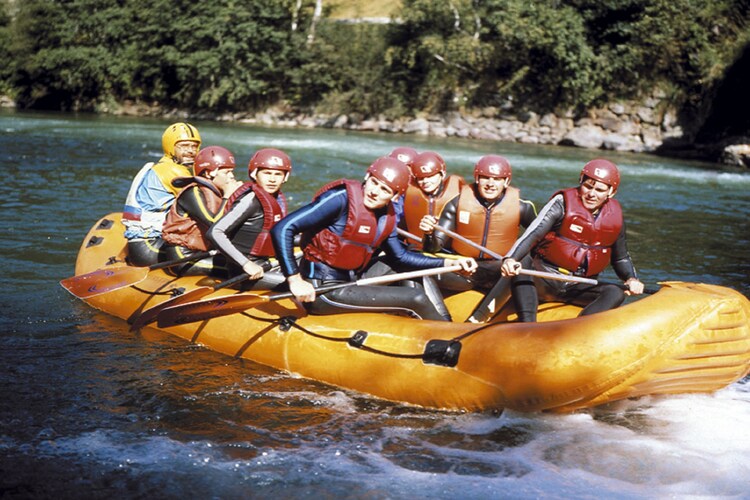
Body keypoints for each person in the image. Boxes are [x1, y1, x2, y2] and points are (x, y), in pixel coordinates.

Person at [271, 157, 477, 321]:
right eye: (374, 182)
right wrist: (295, 280)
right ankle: (447, 339)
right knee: (416, 298)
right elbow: (283, 229)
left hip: (350, 281)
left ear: (395, 196)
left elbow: (401, 257)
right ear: (367, 176)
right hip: (321, 289)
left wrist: (449, 263)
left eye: (384, 190)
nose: (374, 192)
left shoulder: (387, 216)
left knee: (406, 266)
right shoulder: (340, 199)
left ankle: (442, 324)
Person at [501, 158, 645, 322]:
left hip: (578, 285)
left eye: (599, 190)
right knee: (523, 261)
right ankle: (527, 324)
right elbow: (533, 233)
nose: (591, 194)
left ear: (611, 192)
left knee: (615, 292)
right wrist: (510, 259)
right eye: (588, 186)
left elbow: (620, 258)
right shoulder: (561, 203)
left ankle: (579, 328)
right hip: (544, 279)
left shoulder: (615, 217)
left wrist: (631, 278)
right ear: (580, 181)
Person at [422, 154, 536, 292]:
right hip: (465, 268)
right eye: (485, 177)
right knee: (421, 269)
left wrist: (518, 261)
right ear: (477, 178)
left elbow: (539, 243)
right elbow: (433, 248)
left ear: (506, 181)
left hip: (500, 270)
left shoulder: (523, 207)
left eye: (497, 179)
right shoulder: (456, 203)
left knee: (525, 263)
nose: (490, 184)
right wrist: (429, 234)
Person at [206, 148, 292, 289]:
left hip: (264, 263)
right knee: (302, 282)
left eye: (278, 174)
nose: (272, 179)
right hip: (244, 270)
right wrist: (246, 264)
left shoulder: (275, 199)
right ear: (254, 174)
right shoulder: (250, 200)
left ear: (285, 177)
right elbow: (215, 232)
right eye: (267, 173)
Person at [122, 122, 201, 266]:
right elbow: (203, 206)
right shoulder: (174, 171)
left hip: (141, 244)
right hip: (149, 246)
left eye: (194, 146)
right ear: (170, 147)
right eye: (184, 146)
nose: (191, 151)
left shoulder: (160, 167)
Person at [160, 145, 242, 276]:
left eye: (232, 172)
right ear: (208, 173)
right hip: (183, 257)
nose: (232, 177)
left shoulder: (217, 192)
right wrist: (228, 196)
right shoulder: (193, 192)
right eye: (226, 173)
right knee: (240, 268)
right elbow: (214, 225)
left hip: (203, 253)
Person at [400, 151, 466, 249]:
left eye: (430, 176)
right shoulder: (408, 193)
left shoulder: (459, 193)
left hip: (446, 251)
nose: (425, 181)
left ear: (442, 174)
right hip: (414, 249)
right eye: (421, 178)